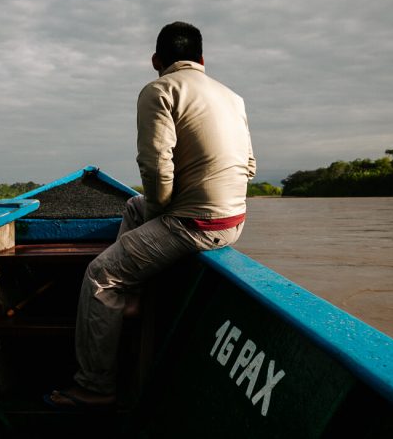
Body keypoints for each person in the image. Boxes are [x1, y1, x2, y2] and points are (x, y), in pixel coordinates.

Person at [45, 21, 256, 410]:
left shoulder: (160, 89)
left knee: (100, 277)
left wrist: (161, 213)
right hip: (234, 220)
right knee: (132, 206)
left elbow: (156, 167)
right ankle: (136, 295)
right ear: (202, 60)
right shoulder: (233, 97)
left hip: (194, 224)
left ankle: (95, 386)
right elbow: (251, 166)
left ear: (156, 60)